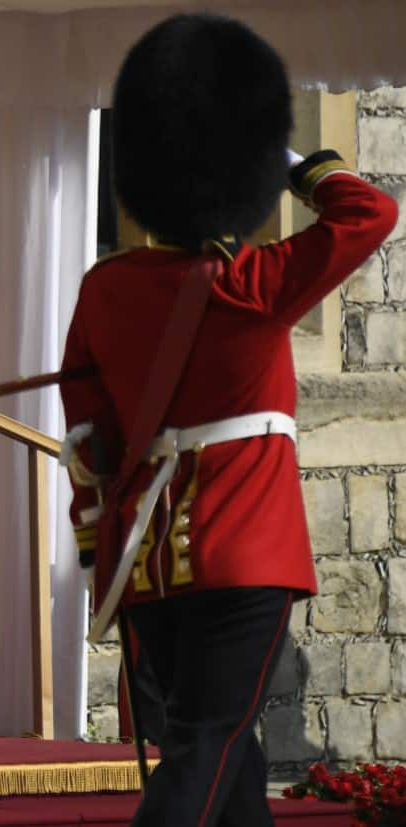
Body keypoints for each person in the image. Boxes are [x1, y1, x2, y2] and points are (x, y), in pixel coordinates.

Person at [58, 14, 398, 827]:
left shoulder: (105, 287)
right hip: (243, 551)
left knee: (220, 744)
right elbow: (369, 212)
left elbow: (86, 439)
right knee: (208, 741)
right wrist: (289, 163)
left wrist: (95, 545)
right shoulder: (251, 284)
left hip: (146, 560)